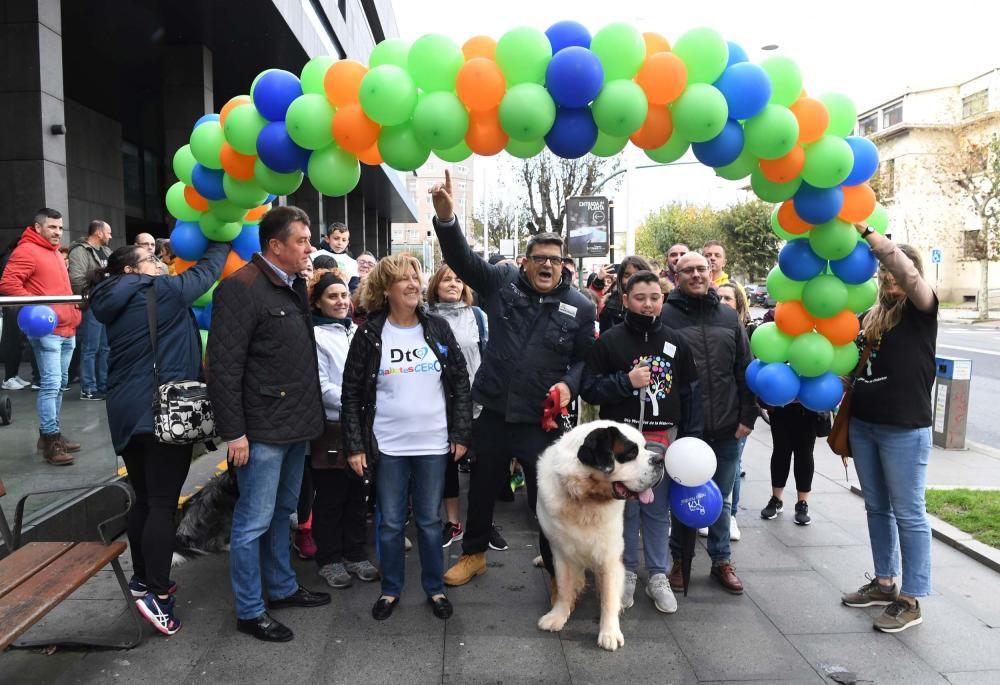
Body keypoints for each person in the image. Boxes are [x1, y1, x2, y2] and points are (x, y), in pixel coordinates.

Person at [429, 170, 596, 587]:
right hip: (495, 412)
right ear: (525, 261)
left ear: (564, 265)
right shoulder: (501, 284)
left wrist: (569, 386)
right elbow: (463, 261)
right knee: (483, 487)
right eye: (539, 257)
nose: (546, 264)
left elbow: (584, 362)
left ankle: (556, 568)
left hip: (541, 420)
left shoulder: (581, 306)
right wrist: (447, 220)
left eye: (553, 259)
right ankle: (474, 554)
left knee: (546, 499)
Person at [89, 239, 227, 635]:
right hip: (162, 411)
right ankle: (156, 593)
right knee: (164, 504)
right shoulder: (157, 290)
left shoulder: (110, 298)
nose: (159, 263)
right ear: (131, 270)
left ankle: (142, 579)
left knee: (146, 498)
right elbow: (204, 276)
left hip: (127, 410)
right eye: (150, 260)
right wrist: (220, 243)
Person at [207, 206, 329, 643]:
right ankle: (250, 610)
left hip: (295, 426)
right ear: (275, 246)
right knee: (252, 522)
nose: (309, 247)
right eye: (301, 240)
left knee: (283, 513)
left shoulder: (293, 284)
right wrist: (234, 432)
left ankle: (280, 587)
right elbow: (222, 368)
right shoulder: (240, 289)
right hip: (260, 432)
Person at [341, 253, 472, 621]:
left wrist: (461, 431)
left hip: (433, 443)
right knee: (391, 522)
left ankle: (434, 588)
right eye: (404, 279)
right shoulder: (369, 334)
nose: (414, 283)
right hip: (389, 447)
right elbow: (351, 392)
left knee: (430, 522)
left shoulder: (437, 328)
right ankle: (391, 589)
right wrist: (355, 445)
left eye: (416, 276)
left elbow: (460, 383)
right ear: (386, 289)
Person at [581, 270, 702, 614]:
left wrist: (692, 439)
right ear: (625, 299)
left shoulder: (677, 342)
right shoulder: (610, 341)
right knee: (626, 508)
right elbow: (590, 387)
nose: (648, 305)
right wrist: (626, 382)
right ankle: (627, 572)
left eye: (654, 298)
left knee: (656, 509)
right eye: (640, 298)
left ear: (662, 300)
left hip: (664, 439)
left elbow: (690, 393)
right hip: (623, 444)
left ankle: (658, 575)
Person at [840, 225, 937, 634]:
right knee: (876, 507)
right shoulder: (870, 316)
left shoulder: (921, 309)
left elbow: (910, 275)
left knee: (909, 513)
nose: (890, 278)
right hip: (865, 425)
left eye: (895, 271)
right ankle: (884, 582)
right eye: (883, 274)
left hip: (903, 428)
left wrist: (872, 238)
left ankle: (911, 598)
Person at [662, 252, 756, 595]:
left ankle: (721, 561)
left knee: (723, 497)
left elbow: (744, 369)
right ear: (677, 275)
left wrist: (748, 416)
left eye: (703, 268)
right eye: (689, 270)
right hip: (686, 428)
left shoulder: (729, 316)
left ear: (712, 272)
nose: (697, 275)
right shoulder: (665, 315)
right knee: (683, 497)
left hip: (728, 424)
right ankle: (678, 561)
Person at [306, 269, 380, 589]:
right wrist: (360, 401)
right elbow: (321, 387)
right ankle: (330, 558)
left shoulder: (356, 331)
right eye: (331, 296)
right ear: (318, 302)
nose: (340, 301)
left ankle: (354, 552)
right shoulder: (314, 336)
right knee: (331, 496)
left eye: (342, 295)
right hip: (333, 427)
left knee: (357, 493)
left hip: (361, 424)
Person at [0, 209, 83, 465]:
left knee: (59, 384)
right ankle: (50, 439)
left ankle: (50, 433)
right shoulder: (26, 250)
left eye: (60, 228)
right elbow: (7, 283)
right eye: (52, 227)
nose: (58, 232)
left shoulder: (54, 252)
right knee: (51, 384)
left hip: (67, 327)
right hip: (48, 330)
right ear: (38, 228)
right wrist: (39, 309)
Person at [426, 263, 487, 548]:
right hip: (439, 402)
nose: (453, 283)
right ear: (435, 286)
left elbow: (487, 356)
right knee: (447, 464)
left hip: (476, 401)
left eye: (458, 279)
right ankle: (453, 522)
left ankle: (481, 522)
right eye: (446, 279)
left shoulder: (478, 316)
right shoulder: (425, 318)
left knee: (481, 466)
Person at [717, 282, 753, 541]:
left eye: (728, 298)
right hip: (712, 413)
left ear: (739, 305)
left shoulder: (747, 331)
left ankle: (729, 517)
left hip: (735, 413)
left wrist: (747, 415)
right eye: (718, 297)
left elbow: (747, 374)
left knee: (732, 470)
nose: (722, 302)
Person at [68, 220, 113, 401]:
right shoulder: (80, 251)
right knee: (90, 348)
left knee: (104, 348)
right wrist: (98, 290)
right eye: (108, 232)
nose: (110, 236)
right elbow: (77, 280)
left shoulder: (108, 252)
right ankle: (88, 388)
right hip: (92, 304)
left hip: (105, 304)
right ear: (99, 233)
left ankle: (103, 385)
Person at [598, 256, 653, 334]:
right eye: (627, 275)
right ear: (620, 279)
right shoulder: (610, 309)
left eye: (638, 274)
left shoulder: (658, 305)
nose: (632, 279)